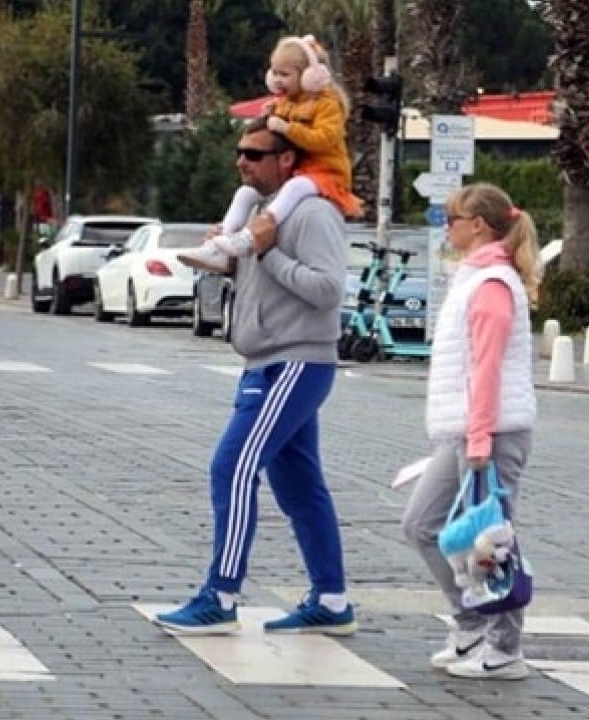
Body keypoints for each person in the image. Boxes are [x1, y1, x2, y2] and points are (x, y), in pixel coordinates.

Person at [154, 116, 355, 637]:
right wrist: (230, 256)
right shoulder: (262, 213)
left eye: (254, 153)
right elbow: (263, 277)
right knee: (299, 484)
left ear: (287, 160)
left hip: (297, 360)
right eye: (239, 151)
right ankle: (331, 600)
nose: (241, 160)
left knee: (233, 467)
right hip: (262, 360)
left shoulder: (312, 213)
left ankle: (221, 595)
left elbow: (329, 290)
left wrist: (267, 251)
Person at [399, 182, 541, 680]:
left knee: (491, 542)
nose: (446, 227)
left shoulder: (492, 285)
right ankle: (470, 625)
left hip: (491, 432)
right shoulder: (473, 279)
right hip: (467, 430)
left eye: (451, 219)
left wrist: (478, 439)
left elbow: (487, 369)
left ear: (478, 225)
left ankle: (505, 649)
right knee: (421, 523)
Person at [178, 34, 361, 273]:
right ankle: (220, 245)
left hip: (326, 172)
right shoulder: (285, 102)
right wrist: (267, 116)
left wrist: (287, 127)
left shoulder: (327, 104)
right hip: (300, 170)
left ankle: (252, 236)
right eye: (274, 73)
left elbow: (324, 140)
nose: (277, 80)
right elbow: (274, 132)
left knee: (294, 189)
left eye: (285, 74)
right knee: (244, 193)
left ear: (309, 75)